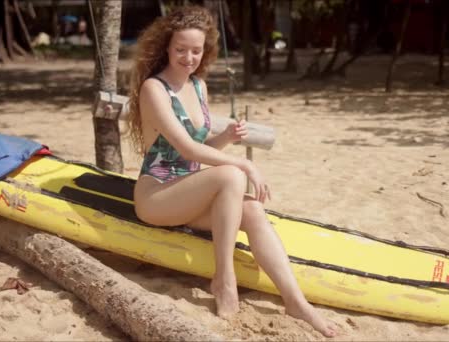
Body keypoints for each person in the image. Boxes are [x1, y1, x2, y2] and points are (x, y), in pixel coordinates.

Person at [126, 6, 337, 337]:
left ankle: (296, 302)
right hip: (157, 195)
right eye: (180, 49)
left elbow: (202, 145)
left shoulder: (198, 86)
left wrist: (224, 139)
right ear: (167, 46)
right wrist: (244, 162)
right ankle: (224, 279)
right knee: (233, 175)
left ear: (205, 50)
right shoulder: (155, 89)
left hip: (190, 192)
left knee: (251, 209)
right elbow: (187, 150)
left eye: (196, 50)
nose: (188, 57)